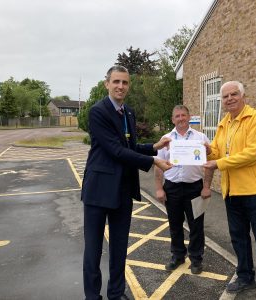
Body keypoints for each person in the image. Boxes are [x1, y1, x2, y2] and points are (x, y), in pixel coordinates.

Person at [81, 65, 172, 300]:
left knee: (120, 247)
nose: (121, 86)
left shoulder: (128, 112)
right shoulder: (98, 111)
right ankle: (92, 296)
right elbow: (115, 151)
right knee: (93, 249)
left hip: (122, 190)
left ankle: (116, 293)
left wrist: (154, 146)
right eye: (116, 82)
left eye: (125, 83)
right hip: (99, 190)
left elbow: (129, 147)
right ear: (107, 84)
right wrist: (153, 160)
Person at [203, 81, 256, 300]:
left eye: (234, 94)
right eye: (225, 96)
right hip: (232, 192)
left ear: (243, 96)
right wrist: (204, 151)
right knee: (239, 238)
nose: (229, 99)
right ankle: (244, 276)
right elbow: (216, 150)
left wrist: (219, 164)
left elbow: (253, 154)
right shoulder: (224, 123)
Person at [154, 105, 214, 275]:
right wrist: (159, 188)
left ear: (189, 117)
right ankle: (178, 256)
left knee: (196, 226)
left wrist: (206, 187)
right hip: (172, 187)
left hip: (195, 187)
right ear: (173, 119)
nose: (181, 118)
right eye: (177, 116)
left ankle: (196, 259)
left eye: (184, 115)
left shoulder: (200, 138)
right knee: (175, 224)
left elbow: (209, 165)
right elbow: (158, 167)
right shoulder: (166, 139)